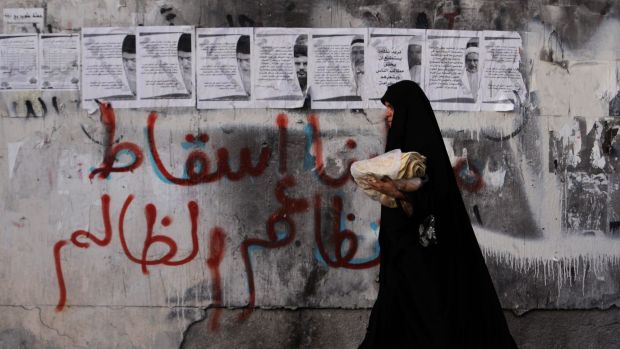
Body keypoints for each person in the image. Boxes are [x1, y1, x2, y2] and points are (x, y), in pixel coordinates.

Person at [358, 80, 518, 348]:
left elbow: (429, 200)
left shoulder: (421, 154)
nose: (387, 114)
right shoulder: (401, 152)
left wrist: (397, 192)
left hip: (423, 262)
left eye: (391, 107)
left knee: (429, 328)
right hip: (401, 261)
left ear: (407, 111)